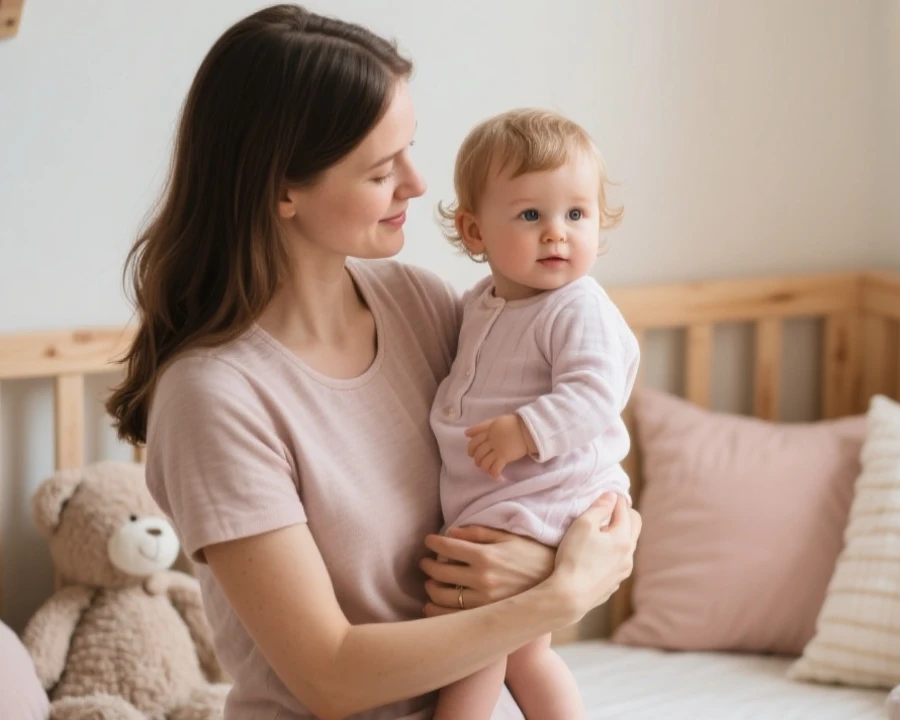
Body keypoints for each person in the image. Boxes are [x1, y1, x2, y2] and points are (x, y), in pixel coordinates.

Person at [104, 5, 640, 719]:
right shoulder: (215, 399)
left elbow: (572, 479)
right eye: (383, 169)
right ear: (282, 189)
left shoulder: (425, 305)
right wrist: (559, 593)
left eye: (410, 151)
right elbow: (329, 675)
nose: (418, 185)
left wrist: (562, 557)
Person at [429, 109, 640, 719]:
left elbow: (598, 392)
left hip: (549, 496)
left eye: (576, 215)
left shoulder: (579, 308)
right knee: (521, 654)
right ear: (474, 233)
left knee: (473, 643)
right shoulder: (480, 304)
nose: (557, 233)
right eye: (531, 215)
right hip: (501, 498)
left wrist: (527, 429)